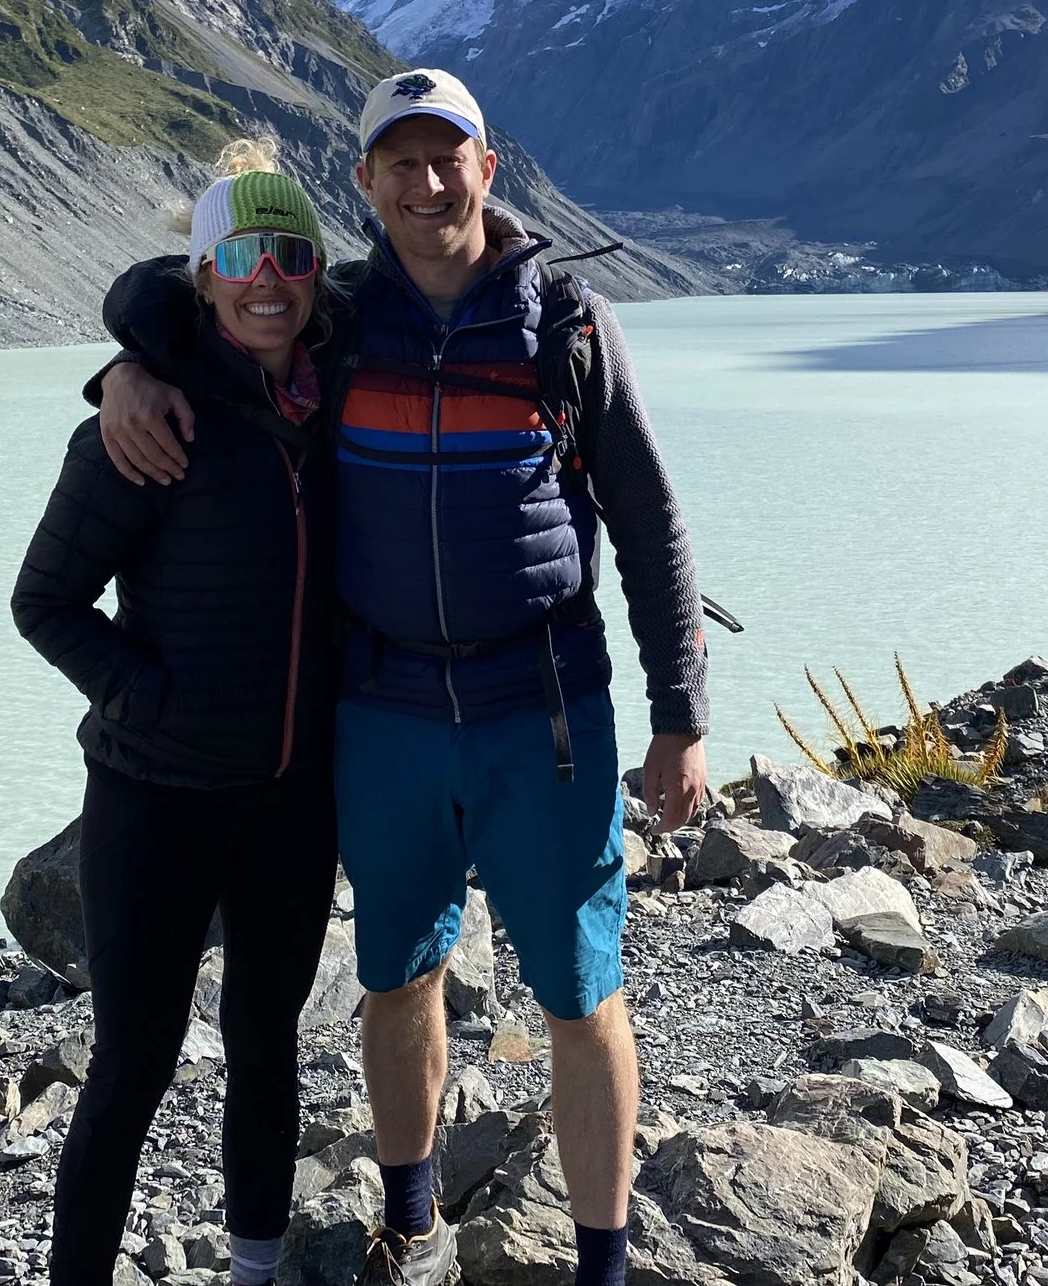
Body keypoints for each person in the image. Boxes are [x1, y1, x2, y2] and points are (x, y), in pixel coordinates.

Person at [93, 70, 710, 1286]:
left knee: (583, 995)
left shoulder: (568, 325)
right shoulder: (341, 321)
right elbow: (188, 304)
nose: (428, 184)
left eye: (450, 158)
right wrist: (122, 366)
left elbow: (651, 523)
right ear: (365, 185)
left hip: (542, 711)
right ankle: (412, 1217)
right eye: (401, 164)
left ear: (491, 167)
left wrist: (679, 717)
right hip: (380, 712)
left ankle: (603, 1263)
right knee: (397, 973)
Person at [10, 140, 342, 1286]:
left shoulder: (338, 394)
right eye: (239, 257)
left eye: (289, 256)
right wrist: (150, 698)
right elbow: (45, 601)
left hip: (297, 796)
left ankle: (254, 1271)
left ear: (315, 275)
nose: (266, 279)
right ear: (202, 278)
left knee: (266, 1049)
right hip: (154, 796)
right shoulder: (149, 422)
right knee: (132, 1064)